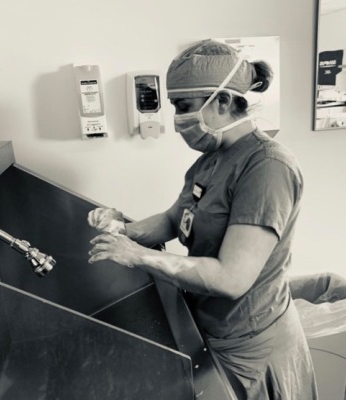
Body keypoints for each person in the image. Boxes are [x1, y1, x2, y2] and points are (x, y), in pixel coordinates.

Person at [87, 39, 318, 400]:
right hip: (214, 327)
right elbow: (172, 220)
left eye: (184, 107)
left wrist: (138, 256)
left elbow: (231, 278)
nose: (178, 121)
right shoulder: (211, 160)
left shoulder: (266, 167)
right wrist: (124, 230)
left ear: (223, 102)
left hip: (252, 343)